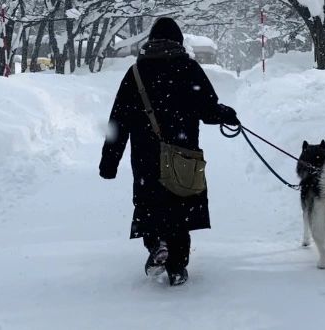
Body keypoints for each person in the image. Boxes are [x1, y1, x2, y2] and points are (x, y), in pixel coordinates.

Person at [98, 17, 239, 286]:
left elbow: (118, 120)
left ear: (150, 41)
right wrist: (227, 115)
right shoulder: (189, 69)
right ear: (178, 41)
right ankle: (177, 266)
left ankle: (157, 245)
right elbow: (208, 110)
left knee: (150, 205)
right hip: (182, 153)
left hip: (146, 155)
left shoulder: (136, 73)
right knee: (180, 206)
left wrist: (109, 161)